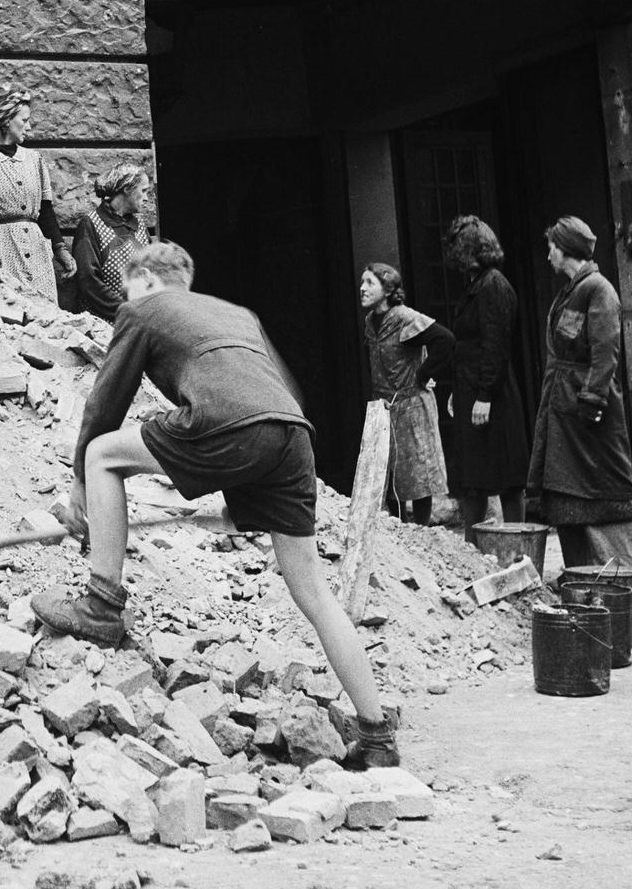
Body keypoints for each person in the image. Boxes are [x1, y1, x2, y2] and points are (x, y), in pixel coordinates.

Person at [30, 241, 399, 768]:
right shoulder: (237, 314)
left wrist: (81, 489)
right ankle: (378, 736)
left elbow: (105, 405)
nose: (124, 302)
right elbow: (274, 394)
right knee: (314, 590)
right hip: (292, 436)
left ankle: (102, 605)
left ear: (147, 281)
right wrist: (246, 498)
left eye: (129, 289)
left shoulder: (142, 308)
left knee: (104, 455)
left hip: (230, 423)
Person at [527, 216, 632, 570]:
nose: (547, 254)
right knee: (567, 498)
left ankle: (619, 577)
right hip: (564, 411)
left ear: (564, 250)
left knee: (600, 489)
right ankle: (582, 580)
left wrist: (591, 400)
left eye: (551, 247)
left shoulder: (598, 289)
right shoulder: (571, 290)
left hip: (587, 418)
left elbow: (605, 351)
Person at [442, 215, 530, 538]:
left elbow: (495, 344)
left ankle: (517, 545)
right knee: (474, 477)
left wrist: (484, 395)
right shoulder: (478, 284)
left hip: (492, 395)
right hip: (474, 387)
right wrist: (461, 390)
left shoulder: (492, 285)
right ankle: (473, 548)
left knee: (505, 477)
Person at [0, 87, 74, 302]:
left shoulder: (34, 160)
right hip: (0, 248)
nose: (28, 127)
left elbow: (46, 210)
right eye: (24, 120)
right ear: (6, 121)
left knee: (45, 312)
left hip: (37, 248)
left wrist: (60, 249)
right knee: (11, 309)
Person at [360, 263, 453, 526]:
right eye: (362, 282)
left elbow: (444, 340)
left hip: (411, 405)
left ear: (387, 289)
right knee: (391, 474)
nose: (362, 288)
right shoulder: (370, 321)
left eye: (369, 282)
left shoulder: (404, 317)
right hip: (385, 407)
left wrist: (423, 374)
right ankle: (400, 531)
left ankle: (421, 531)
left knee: (418, 476)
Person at [72, 163, 150, 320]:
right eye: (144, 191)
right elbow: (88, 280)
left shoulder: (140, 226)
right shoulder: (91, 224)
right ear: (127, 189)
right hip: (103, 323)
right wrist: (125, 311)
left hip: (138, 322)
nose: (147, 198)